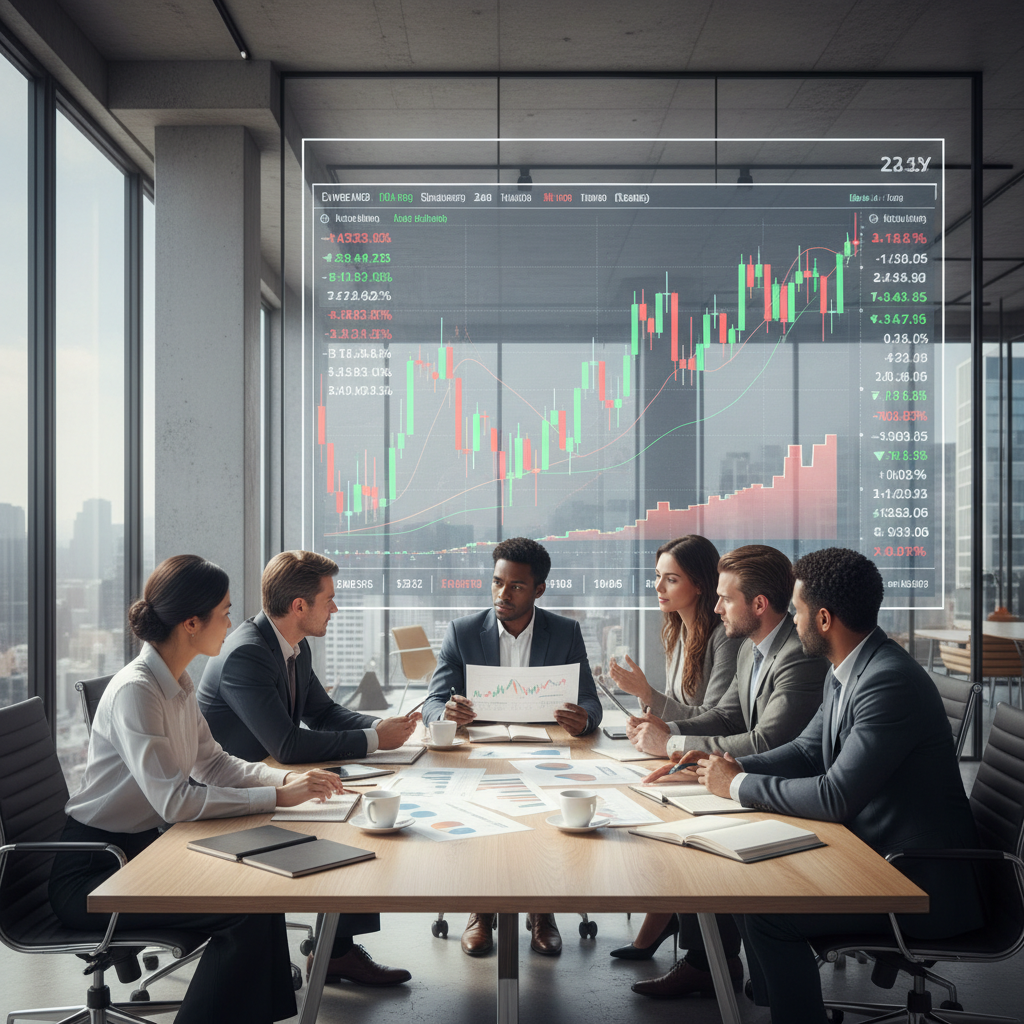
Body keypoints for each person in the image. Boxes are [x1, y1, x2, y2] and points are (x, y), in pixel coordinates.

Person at [49, 555, 348, 1024]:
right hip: (95, 872)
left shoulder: (179, 683)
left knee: (260, 892)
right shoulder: (138, 691)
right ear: (192, 623)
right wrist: (276, 797)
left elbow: (214, 763)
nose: (233, 621)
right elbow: (175, 801)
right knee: (245, 912)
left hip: (140, 852)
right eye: (225, 612)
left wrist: (285, 780)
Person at [696, 547, 984, 1023]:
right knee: (752, 888)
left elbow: (834, 796)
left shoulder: (886, 682)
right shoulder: (850, 667)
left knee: (767, 913)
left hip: (920, 883)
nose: (793, 619)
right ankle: (778, 1004)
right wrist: (723, 764)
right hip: (878, 855)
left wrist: (737, 785)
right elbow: (808, 751)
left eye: (800, 610)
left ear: (824, 618)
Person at [197, 549, 416, 986]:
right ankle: (335, 953)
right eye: (329, 599)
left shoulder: (293, 646)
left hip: (267, 783)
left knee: (357, 814)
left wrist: (382, 728)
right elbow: (288, 744)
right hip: (226, 801)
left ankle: (335, 951)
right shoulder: (246, 654)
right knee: (354, 826)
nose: (336, 609)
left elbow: (325, 714)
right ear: (300, 607)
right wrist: (375, 741)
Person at [628, 543, 828, 999]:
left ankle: (726, 967)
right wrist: (667, 729)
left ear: (758, 605)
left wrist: (675, 746)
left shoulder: (797, 655)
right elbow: (727, 718)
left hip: (785, 789)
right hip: (754, 776)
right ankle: (706, 962)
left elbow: (767, 742)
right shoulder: (747, 648)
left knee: (698, 835)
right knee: (677, 820)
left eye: (725, 598)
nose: (716, 608)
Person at [422, 537, 603, 957]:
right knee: (484, 818)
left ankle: (542, 912)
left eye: (516, 586)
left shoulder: (565, 631)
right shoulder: (463, 632)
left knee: (546, 822)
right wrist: (446, 714)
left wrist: (584, 718)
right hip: (480, 754)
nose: (503, 594)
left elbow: (591, 700)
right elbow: (432, 702)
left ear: (539, 589)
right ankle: (480, 911)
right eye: (497, 582)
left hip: (548, 750)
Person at [605, 535, 741, 962]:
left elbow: (717, 714)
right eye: (657, 578)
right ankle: (660, 923)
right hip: (691, 746)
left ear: (699, 584)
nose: (659, 588)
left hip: (717, 753)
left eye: (671, 579)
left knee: (662, 811)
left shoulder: (723, 636)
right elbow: (683, 706)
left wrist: (655, 709)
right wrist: (650, 710)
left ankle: (670, 933)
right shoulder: (680, 628)